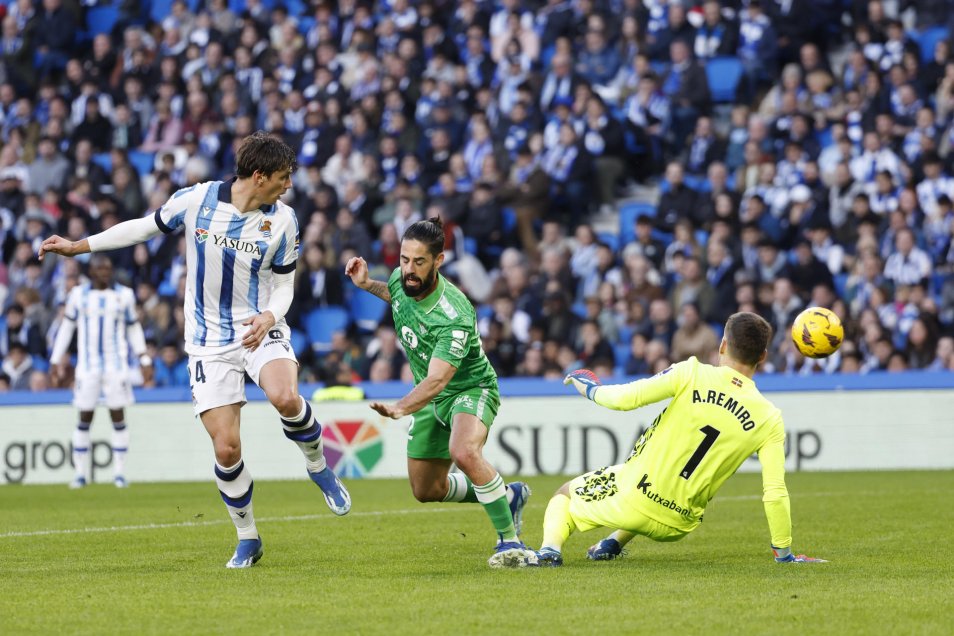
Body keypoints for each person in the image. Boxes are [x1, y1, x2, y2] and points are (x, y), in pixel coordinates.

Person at [39, 131, 350, 569]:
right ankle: (248, 538)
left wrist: (269, 317)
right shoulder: (197, 200)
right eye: (282, 177)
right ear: (258, 176)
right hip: (206, 340)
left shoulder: (283, 219)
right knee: (226, 449)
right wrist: (79, 245)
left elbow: (283, 284)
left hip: (259, 327)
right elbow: (144, 228)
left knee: (284, 395)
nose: (288, 185)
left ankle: (318, 465)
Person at [526, 312, 826, 567]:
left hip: (635, 497)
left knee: (564, 494)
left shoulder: (692, 373)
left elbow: (625, 399)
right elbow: (775, 492)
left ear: (722, 345)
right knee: (638, 476)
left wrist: (590, 388)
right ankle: (613, 543)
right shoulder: (769, 417)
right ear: (762, 356)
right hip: (679, 522)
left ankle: (549, 550)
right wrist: (784, 554)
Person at [345, 217, 535, 568]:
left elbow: (438, 381)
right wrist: (367, 284)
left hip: (469, 388)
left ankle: (511, 542)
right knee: (425, 490)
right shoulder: (402, 281)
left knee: (463, 451)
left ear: (439, 261)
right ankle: (508, 495)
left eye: (419, 262)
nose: (408, 270)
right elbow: (398, 299)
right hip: (431, 398)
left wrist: (402, 408)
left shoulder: (454, 314)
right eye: (404, 259)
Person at [49, 255, 152, 489]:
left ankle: (119, 472)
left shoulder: (124, 295)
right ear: (91, 271)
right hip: (87, 367)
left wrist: (144, 358)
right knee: (84, 416)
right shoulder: (78, 294)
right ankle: (79, 473)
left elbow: (133, 328)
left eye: (107, 269)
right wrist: (56, 359)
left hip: (116, 367)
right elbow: (67, 327)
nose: (104, 273)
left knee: (118, 415)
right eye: (100, 269)